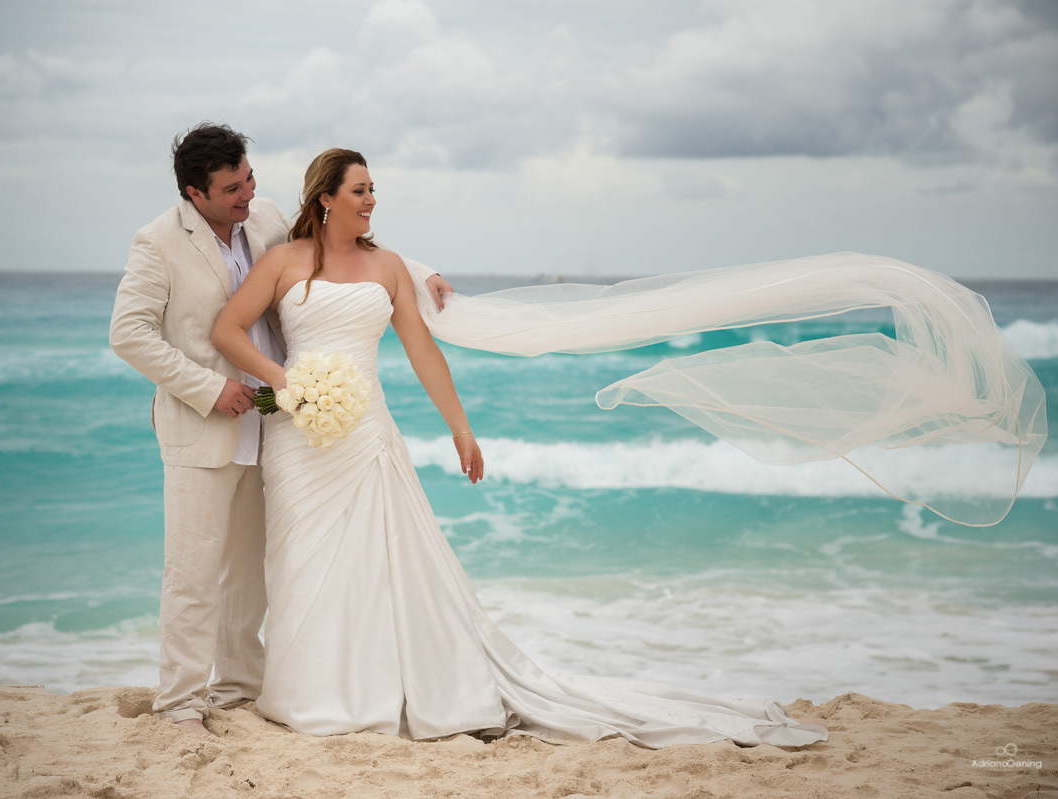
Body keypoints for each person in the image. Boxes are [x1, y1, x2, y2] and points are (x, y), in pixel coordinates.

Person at [211, 148, 828, 747]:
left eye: (373, 190)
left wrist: (461, 428)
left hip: (367, 429)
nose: (372, 200)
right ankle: (304, 693)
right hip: (298, 434)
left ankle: (372, 691)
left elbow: (423, 351)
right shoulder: (284, 260)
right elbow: (228, 330)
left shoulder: (389, 266)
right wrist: (287, 381)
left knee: (377, 562)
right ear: (326, 199)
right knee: (300, 559)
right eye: (360, 190)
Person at [110, 126, 452, 736]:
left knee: (250, 573)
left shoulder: (263, 218)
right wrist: (212, 389)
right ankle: (181, 700)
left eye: (248, 179)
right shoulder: (158, 243)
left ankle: (239, 684)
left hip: (275, 428)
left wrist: (421, 274)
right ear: (196, 193)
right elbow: (129, 335)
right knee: (192, 572)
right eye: (231, 188)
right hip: (204, 424)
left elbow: (344, 244)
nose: (247, 193)